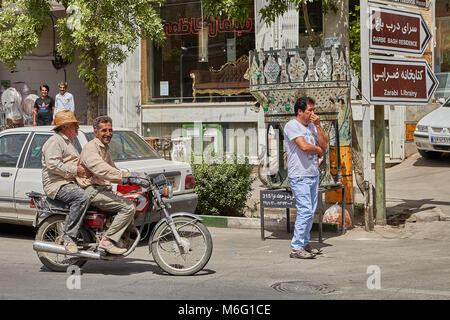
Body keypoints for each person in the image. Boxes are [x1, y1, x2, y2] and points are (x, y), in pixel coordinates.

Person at [76, 116, 147, 255]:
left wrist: (134, 178)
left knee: (133, 202)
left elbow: (113, 170)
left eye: (110, 130)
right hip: (91, 190)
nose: (108, 133)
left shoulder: (104, 148)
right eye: (104, 130)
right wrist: (127, 177)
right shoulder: (91, 148)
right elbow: (102, 170)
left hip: (102, 188)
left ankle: (120, 236)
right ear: (96, 132)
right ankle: (107, 241)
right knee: (128, 207)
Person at [283, 97, 328, 259]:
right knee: (305, 211)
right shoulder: (292, 126)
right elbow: (303, 147)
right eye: (309, 110)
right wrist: (317, 150)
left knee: (310, 211)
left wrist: (318, 125)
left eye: (313, 110)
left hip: (312, 174)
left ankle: (303, 243)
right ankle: (295, 248)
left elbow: (324, 145)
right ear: (300, 111)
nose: (312, 113)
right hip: (299, 175)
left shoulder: (312, 126)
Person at [41, 110, 92, 254]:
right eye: (74, 125)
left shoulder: (70, 141)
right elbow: (53, 165)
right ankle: (69, 237)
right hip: (57, 185)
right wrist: (76, 170)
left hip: (70, 182)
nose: (77, 127)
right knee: (81, 197)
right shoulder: (55, 141)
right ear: (64, 127)